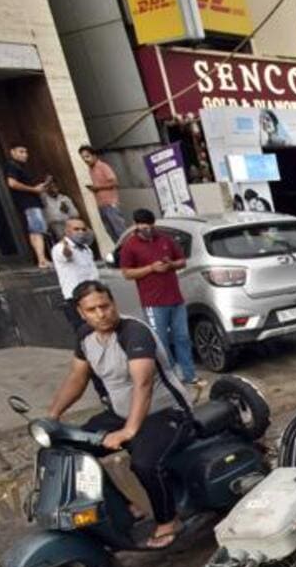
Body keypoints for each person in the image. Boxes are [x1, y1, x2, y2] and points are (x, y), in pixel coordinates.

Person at [50, 281, 194, 548]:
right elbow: (77, 378)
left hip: (165, 412)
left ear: (114, 304)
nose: (101, 314)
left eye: (105, 306)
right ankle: (127, 507)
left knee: (145, 463)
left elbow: (143, 384)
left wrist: (129, 430)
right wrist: (54, 415)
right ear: (82, 313)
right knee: (71, 446)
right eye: (92, 309)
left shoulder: (133, 332)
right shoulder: (85, 337)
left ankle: (168, 520)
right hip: (120, 413)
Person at [118, 209, 199, 388]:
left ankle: (189, 373)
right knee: (161, 341)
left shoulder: (165, 239)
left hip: (175, 298)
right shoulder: (130, 245)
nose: (147, 229)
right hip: (153, 302)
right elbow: (127, 273)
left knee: (182, 337)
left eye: (150, 225)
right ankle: (170, 375)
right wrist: (151, 268)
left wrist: (171, 265)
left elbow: (182, 261)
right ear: (137, 225)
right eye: (142, 226)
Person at [5, 144, 52, 268]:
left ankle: (41, 258)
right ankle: (42, 260)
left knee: (35, 231)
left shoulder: (21, 167)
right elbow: (12, 183)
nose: (25, 154)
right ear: (13, 152)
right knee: (37, 231)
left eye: (26, 152)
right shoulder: (12, 166)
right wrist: (33, 189)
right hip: (28, 203)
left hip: (31, 202)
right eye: (21, 151)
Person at [52, 218, 101, 331]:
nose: (80, 232)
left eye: (83, 229)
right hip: (75, 297)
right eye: (76, 229)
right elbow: (66, 254)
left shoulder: (86, 249)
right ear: (67, 231)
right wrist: (66, 248)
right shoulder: (59, 248)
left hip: (92, 292)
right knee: (84, 330)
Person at [80, 145, 126, 242]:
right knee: (110, 231)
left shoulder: (102, 166)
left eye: (87, 156)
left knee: (120, 231)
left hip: (110, 203)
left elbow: (114, 183)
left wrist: (97, 188)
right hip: (101, 205)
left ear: (94, 155)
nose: (85, 160)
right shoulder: (91, 169)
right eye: (83, 157)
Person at [42, 179, 78, 243]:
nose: (54, 189)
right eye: (51, 187)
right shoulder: (44, 199)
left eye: (55, 187)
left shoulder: (65, 198)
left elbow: (76, 214)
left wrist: (68, 211)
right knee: (59, 229)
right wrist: (47, 182)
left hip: (68, 223)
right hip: (55, 225)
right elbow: (49, 218)